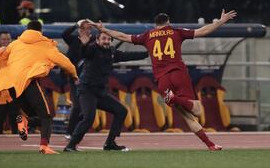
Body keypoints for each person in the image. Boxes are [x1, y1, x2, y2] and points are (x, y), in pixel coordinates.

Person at [92, 10, 237, 151]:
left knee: (187, 116)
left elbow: (123, 36)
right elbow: (202, 31)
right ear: (168, 23)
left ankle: (210, 144)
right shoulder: (176, 32)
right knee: (197, 111)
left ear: (155, 25)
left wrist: (104, 29)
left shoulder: (147, 35)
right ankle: (176, 100)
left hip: (162, 81)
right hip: (178, 74)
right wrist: (220, 22)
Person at [0, 20, 78, 154]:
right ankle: (44, 146)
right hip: (28, 82)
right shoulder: (46, 44)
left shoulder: (15, 44)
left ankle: (26, 121)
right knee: (46, 117)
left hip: (11, 86)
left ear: (27, 29)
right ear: (40, 31)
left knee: (37, 117)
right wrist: (74, 74)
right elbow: (64, 62)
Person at [64, 31, 148, 152]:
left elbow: (129, 55)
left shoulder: (112, 52)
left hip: (100, 92)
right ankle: (70, 146)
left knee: (121, 111)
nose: (107, 41)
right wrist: (84, 45)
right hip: (87, 90)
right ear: (97, 40)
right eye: (104, 39)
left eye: (109, 39)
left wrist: (148, 53)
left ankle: (110, 143)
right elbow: (85, 53)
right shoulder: (92, 49)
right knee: (88, 118)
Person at [61, 19, 93, 140]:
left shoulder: (94, 41)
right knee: (78, 105)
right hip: (75, 78)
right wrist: (75, 25)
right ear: (79, 30)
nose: (85, 30)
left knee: (86, 108)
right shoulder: (74, 40)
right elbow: (64, 34)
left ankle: (77, 131)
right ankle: (70, 132)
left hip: (89, 79)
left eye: (87, 28)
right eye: (82, 28)